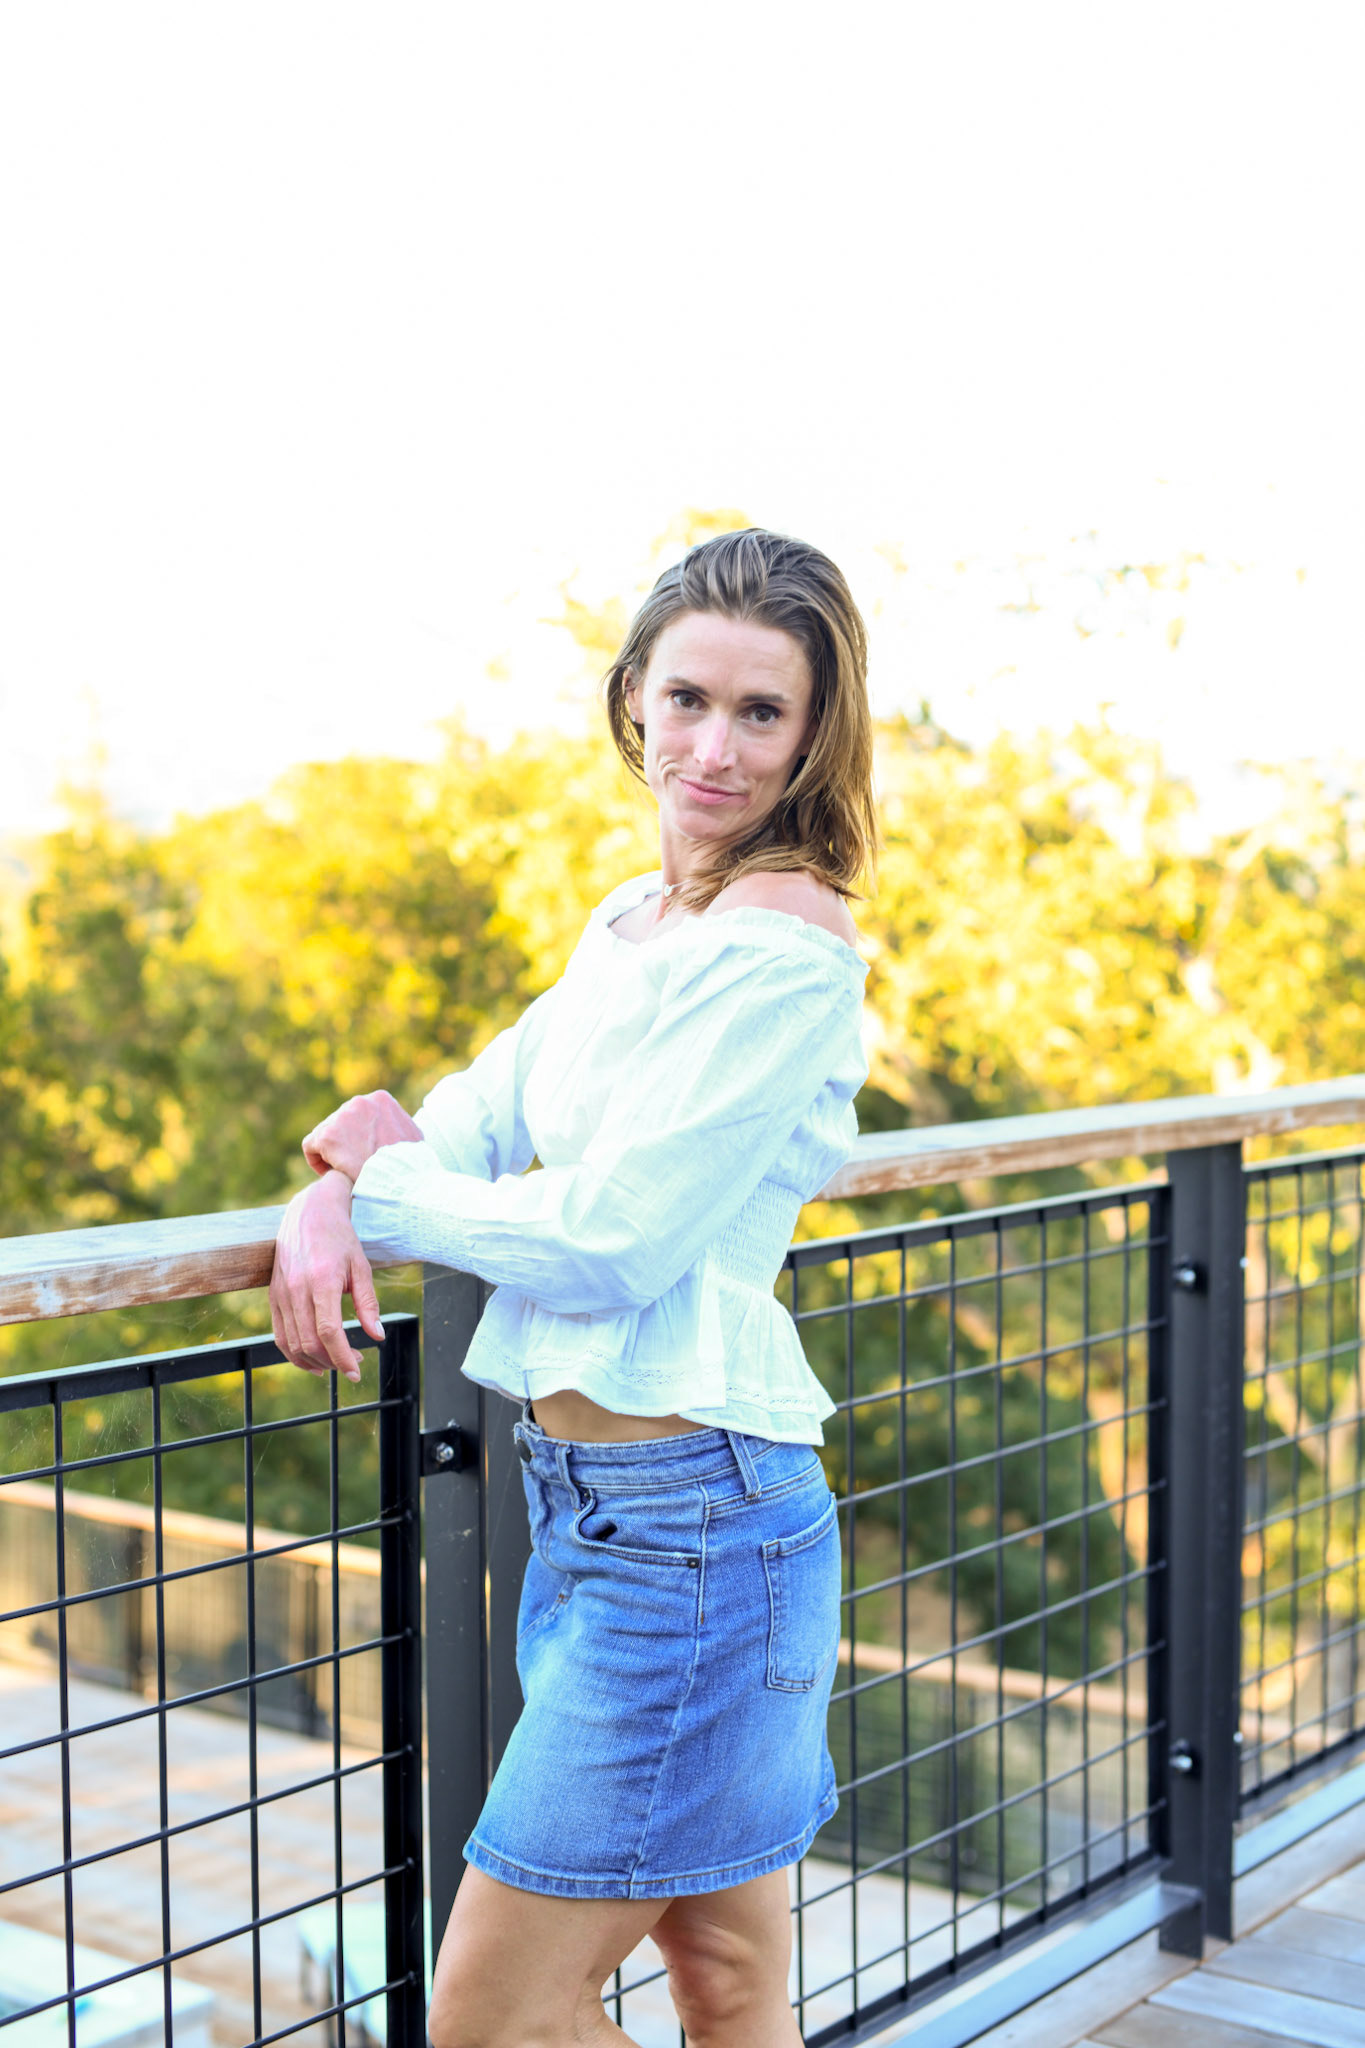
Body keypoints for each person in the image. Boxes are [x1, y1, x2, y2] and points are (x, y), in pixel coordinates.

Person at [269, 526, 879, 2048]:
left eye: (761, 712)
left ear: (815, 733)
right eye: (687, 700)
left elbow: (617, 1239)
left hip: (698, 1530)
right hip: (601, 1514)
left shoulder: (786, 944)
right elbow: (467, 1122)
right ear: (633, 700)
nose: (713, 748)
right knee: (727, 1984)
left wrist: (370, 1189)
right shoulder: (633, 924)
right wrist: (334, 1184)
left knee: (490, 2020)